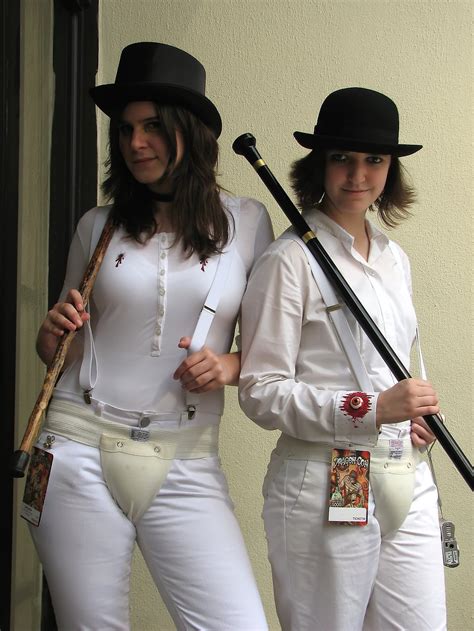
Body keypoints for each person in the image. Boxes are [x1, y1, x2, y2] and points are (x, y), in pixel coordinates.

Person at [28, 42, 272, 630]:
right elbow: (62, 355)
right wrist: (50, 334)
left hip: (185, 456)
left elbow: (270, 352)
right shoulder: (97, 225)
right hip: (76, 447)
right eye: (126, 129)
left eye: (154, 127)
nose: (136, 142)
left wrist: (229, 366)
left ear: (191, 132)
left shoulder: (247, 222)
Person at [239, 87, 446, 630]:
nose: (358, 175)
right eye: (342, 159)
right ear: (319, 164)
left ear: (392, 169)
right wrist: (371, 408)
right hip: (335, 473)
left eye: (374, 160)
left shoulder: (394, 258)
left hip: (407, 472)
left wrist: (416, 406)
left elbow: (398, 356)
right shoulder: (289, 260)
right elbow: (260, 390)